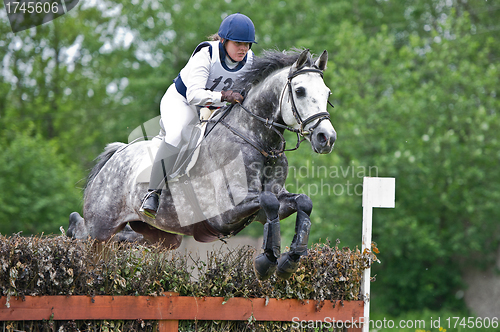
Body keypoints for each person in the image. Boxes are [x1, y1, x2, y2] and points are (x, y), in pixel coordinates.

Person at [140, 13, 257, 218]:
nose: (244, 49)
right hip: (182, 101)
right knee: (177, 134)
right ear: (223, 40)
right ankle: (152, 193)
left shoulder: (249, 60)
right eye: (238, 43)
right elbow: (194, 95)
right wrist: (223, 96)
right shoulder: (206, 54)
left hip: (216, 107)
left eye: (247, 44)